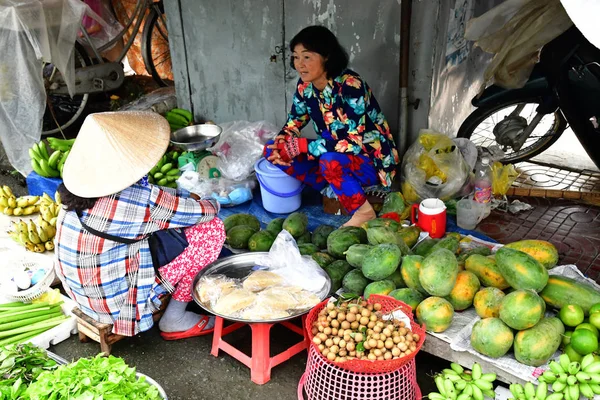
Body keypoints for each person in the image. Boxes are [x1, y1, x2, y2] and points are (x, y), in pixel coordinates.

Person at [55, 111, 225, 340]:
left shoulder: (73, 191)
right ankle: (175, 318)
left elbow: (154, 197)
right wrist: (212, 199)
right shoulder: (135, 202)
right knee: (211, 229)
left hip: (82, 295)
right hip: (116, 305)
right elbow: (205, 212)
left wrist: (183, 195)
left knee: (167, 226)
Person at [264, 25, 399, 227]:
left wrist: (302, 146)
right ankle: (332, 187)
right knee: (271, 149)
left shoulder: (350, 85)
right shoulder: (304, 86)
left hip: (369, 158)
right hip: (332, 152)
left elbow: (353, 144)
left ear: (326, 56)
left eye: (307, 57)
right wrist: (282, 143)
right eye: (295, 57)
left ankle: (363, 213)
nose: (300, 64)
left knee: (329, 161)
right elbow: (294, 122)